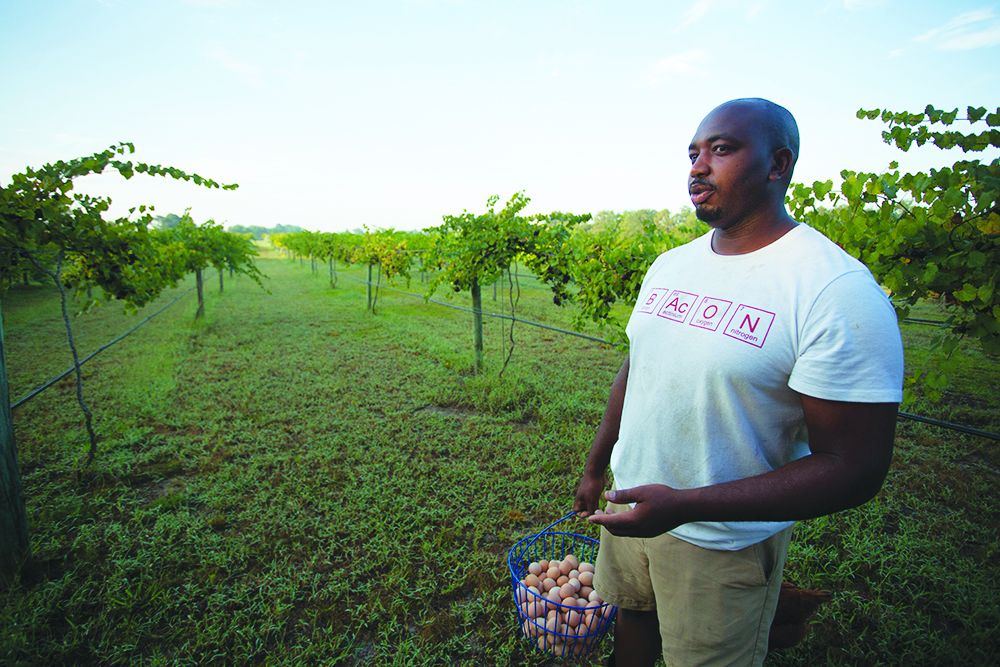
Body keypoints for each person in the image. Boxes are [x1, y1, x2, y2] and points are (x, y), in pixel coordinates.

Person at [573, 98, 904, 666]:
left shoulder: (832, 289)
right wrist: (597, 465)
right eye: (693, 153)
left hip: (724, 543)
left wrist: (686, 505)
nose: (698, 167)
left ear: (778, 165)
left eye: (721, 149)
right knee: (633, 621)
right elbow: (638, 368)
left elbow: (856, 468)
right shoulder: (671, 265)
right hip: (631, 510)